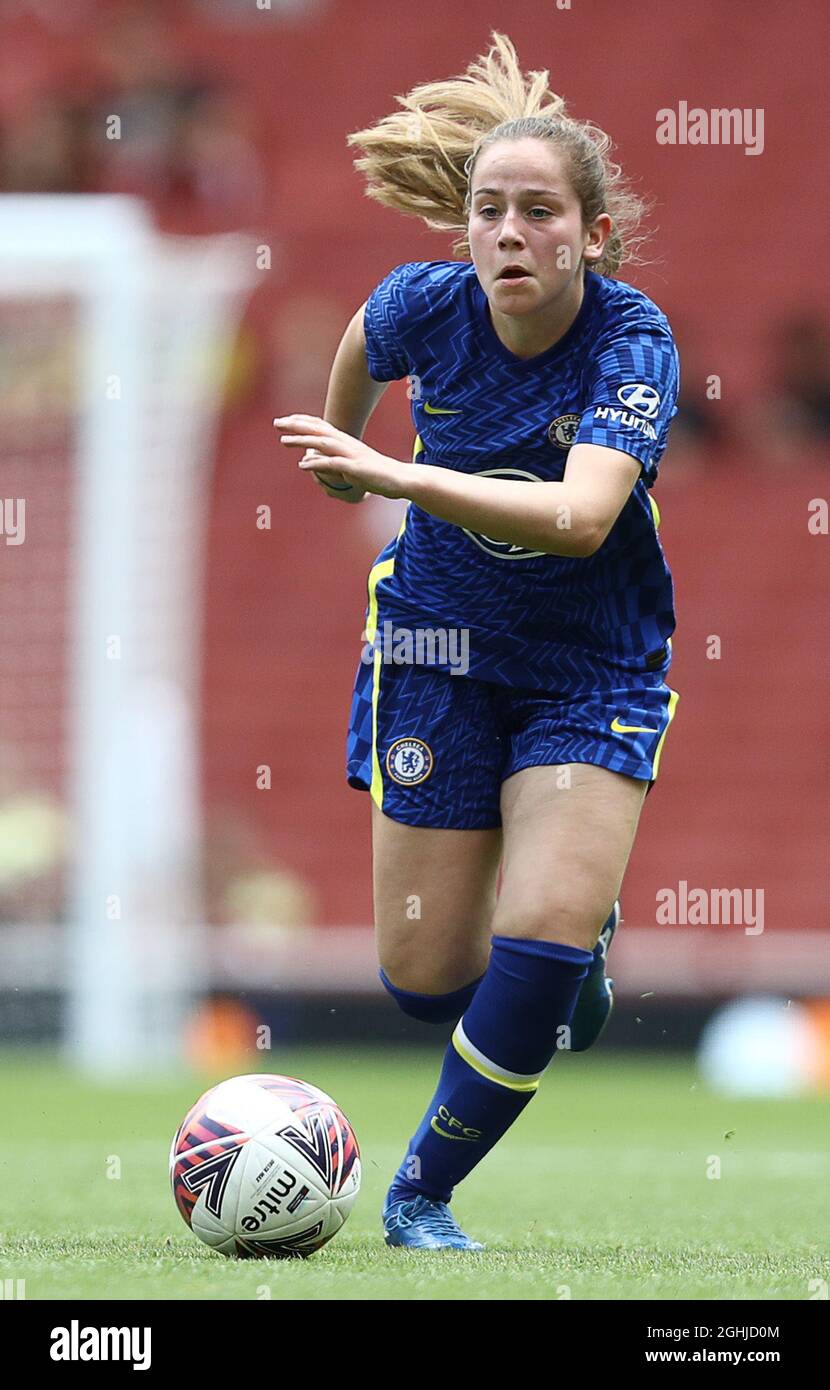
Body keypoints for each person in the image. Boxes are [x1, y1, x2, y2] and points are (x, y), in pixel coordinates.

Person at [274, 31, 680, 1251]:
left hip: (587, 661)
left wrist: (394, 472)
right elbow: (360, 339)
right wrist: (343, 454)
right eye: (487, 210)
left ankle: (419, 1195)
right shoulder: (421, 305)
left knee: (543, 930)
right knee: (421, 977)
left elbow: (578, 516)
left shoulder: (629, 339)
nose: (509, 232)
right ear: (464, 230)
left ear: (590, 234)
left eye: (538, 212)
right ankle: (550, 974)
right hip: (436, 647)